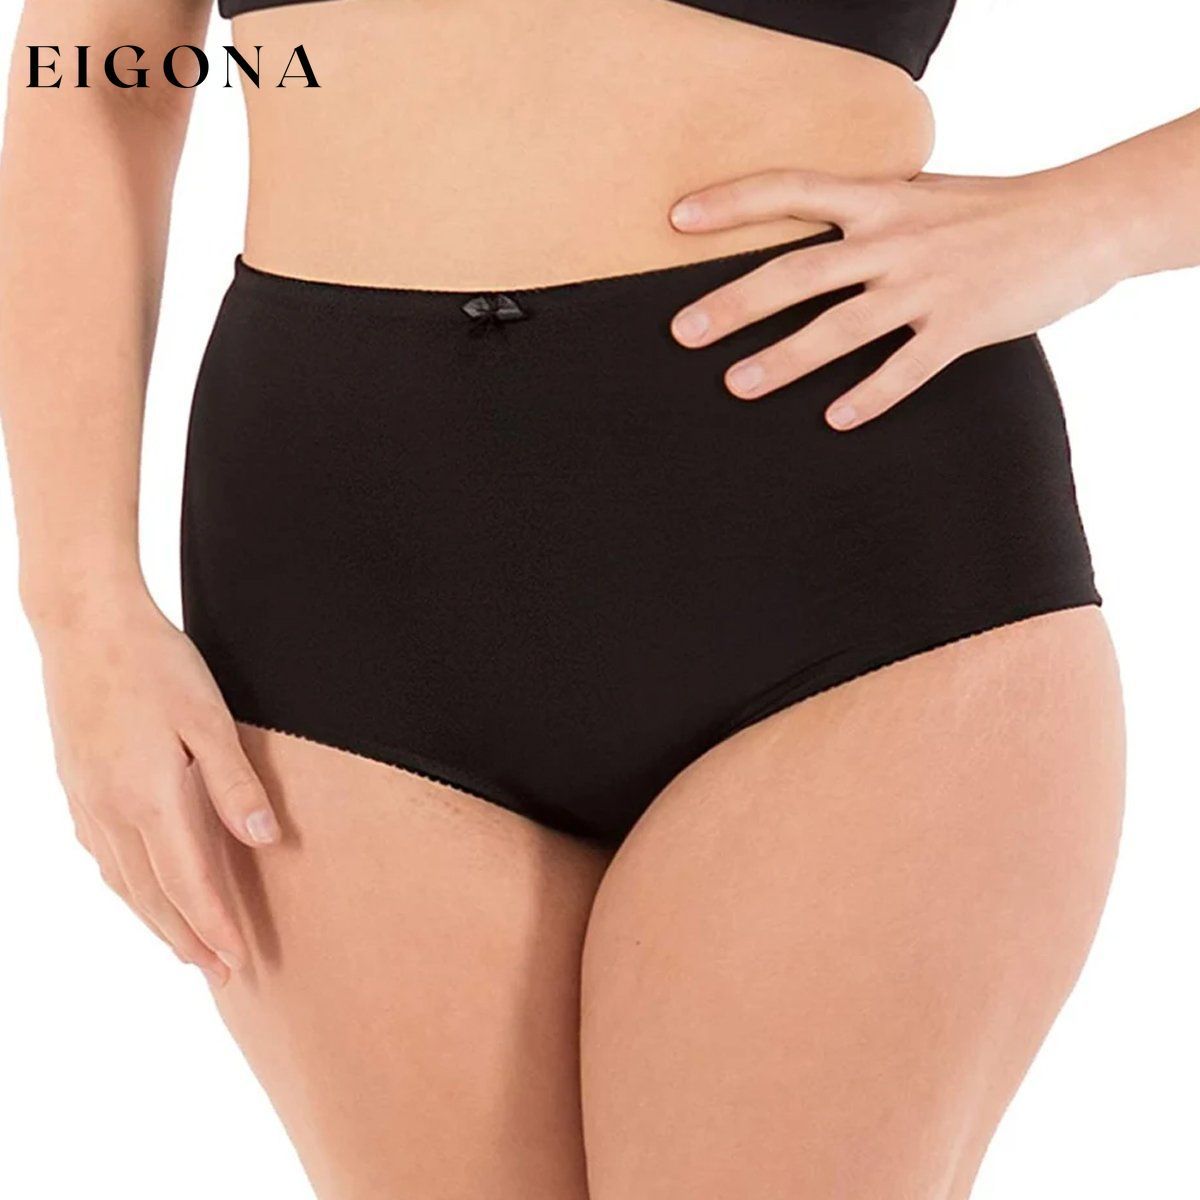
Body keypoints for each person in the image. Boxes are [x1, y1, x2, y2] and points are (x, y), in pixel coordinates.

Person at [1, 1, 1192, 1196]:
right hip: (336, 581)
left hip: (840, 545)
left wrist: (1093, 218)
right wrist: (78, 603)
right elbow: (91, 77)